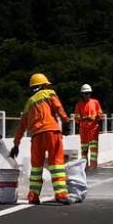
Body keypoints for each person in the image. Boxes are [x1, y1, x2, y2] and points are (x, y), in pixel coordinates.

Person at [10, 73, 72, 205]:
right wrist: (66, 121)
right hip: (51, 132)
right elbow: (58, 108)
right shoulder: (49, 93)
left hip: (36, 136)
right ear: (44, 85)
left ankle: (33, 196)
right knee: (56, 163)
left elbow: (21, 127)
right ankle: (61, 194)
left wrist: (16, 145)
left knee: (36, 167)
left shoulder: (29, 102)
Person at [74, 83, 104, 171]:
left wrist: (96, 117)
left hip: (93, 130)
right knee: (84, 151)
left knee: (93, 151)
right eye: (85, 93)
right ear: (82, 94)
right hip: (83, 131)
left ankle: (93, 167)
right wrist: (84, 118)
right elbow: (76, 118)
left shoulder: (95, 102)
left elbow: (100, 114)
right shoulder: (79, 105)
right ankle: (85, 167)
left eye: (88, 93)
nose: (87, 95)